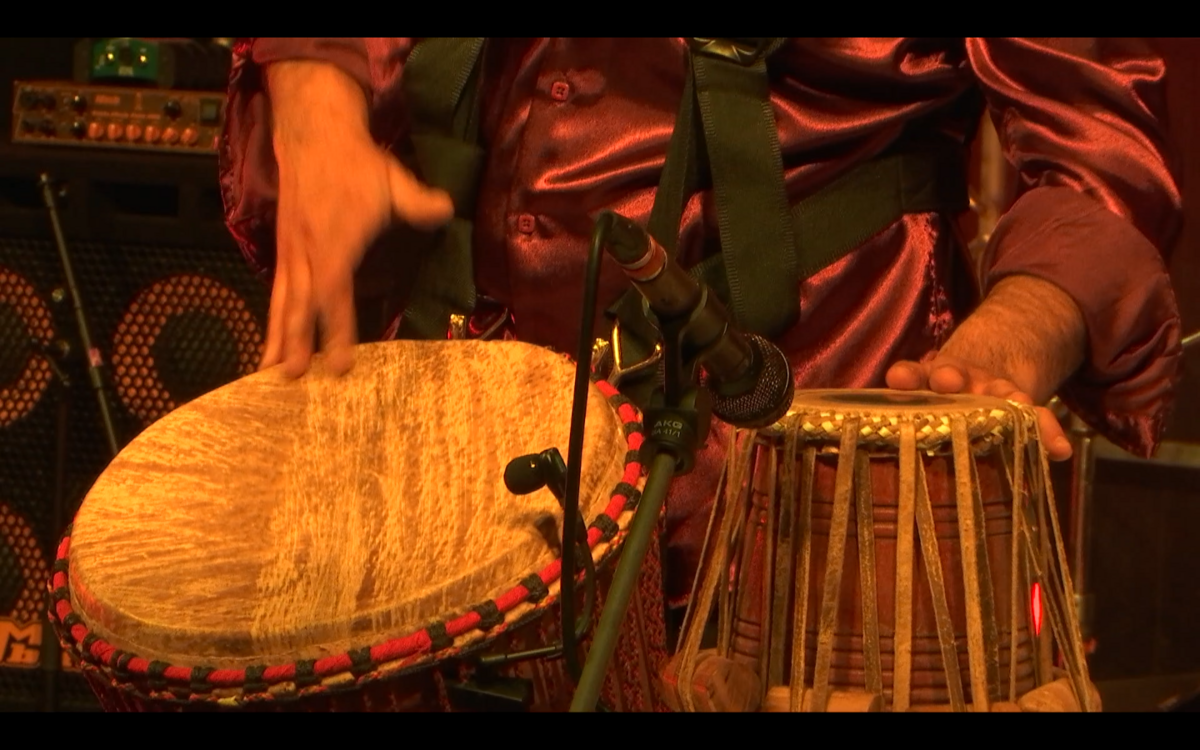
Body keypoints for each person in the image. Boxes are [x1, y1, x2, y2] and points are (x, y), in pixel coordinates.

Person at [219, 38, 1183, 616]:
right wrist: (313, 91)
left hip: (791, 485)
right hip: (435, 464)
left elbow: (1100, 162)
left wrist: (1002, 348)